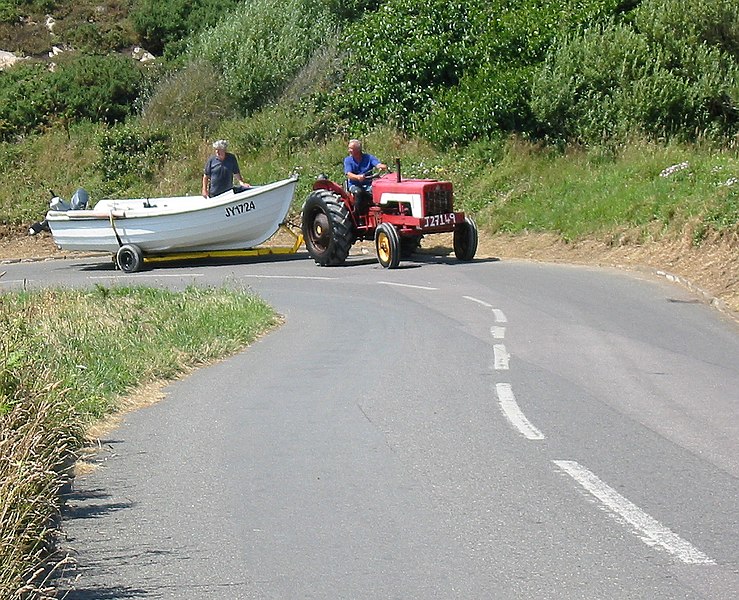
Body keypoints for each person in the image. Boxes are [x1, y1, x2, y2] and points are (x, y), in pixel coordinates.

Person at [343, 139, 387, 214]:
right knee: (358, 192)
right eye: (349, 148)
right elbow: (349, 174)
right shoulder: (348, 160)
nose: (349, 150)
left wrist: (381, 166)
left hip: (368, 184)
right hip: (354, 185)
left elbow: (377, 164)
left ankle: (382, 211)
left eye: (351, 149)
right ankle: (358, 215)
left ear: (358, 150)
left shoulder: (368, 157)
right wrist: (357, 177)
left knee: (379, 190)